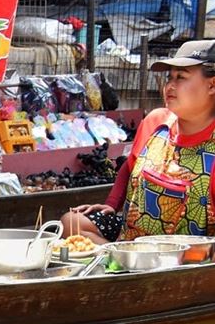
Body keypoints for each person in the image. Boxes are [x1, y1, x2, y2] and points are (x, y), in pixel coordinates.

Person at [61, 39, 215, 243]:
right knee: (71, 222)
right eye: (169, 77)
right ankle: (119, 257)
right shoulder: (156, 121)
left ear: (212, 85)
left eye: (181, 77)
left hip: (186, 260)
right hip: (130, 239)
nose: (170, 85)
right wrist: (112, 204)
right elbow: (129, 166)